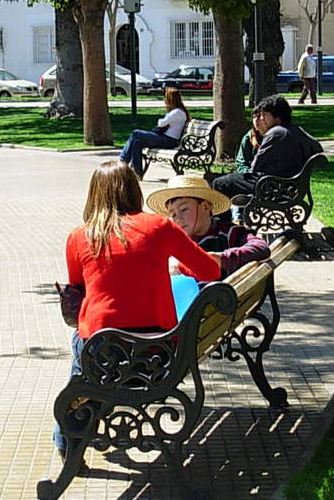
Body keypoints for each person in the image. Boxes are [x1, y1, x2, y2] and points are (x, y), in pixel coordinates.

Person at [53, 160, 220, 458]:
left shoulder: (79, 236)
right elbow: (209, 270)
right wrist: (177, 264)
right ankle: (76, 418)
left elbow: (78, 289)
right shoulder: (159, 226)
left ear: (94, 195)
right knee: (93, 351)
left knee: (83, 346)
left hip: (104, 356)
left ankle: (67, 439)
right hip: (157, 358)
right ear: (133, 190)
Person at [146, 174, 270, 280]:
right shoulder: (175, 242)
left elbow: (260, 247)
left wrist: (218, 259)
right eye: (172, 214)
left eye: (184, 209)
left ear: (205, 207)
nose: (178, 218)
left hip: (212, 302)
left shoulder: (228, 233)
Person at [211, 94, 323, 203]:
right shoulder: (297, 130)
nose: (262, 118)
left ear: (278, 116)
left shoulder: (275, 134)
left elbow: (254, 169)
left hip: (272, 187)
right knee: (230, 179)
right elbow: (319, 151)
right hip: (291, 188)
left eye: (265, 114)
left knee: (219, 183)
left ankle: (222, 221)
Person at [119, 87, 190, 180]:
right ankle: (137, 173)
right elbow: (164, 123)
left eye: (166, 98)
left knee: (136, 133)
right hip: (165, 138)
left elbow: (161, 123)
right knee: (137, 142)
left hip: (168, 140)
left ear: (170, 99)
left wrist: (163, 122)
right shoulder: (177, 111)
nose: (165, 100)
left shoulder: (177, 112)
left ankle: (123, 160)